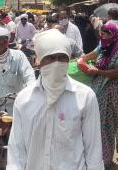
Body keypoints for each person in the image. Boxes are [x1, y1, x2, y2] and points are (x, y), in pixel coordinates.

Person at [7, 29, 104, 170]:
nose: (56, 63)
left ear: (69, 59)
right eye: (50, 58)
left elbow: (93, 148)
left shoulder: (85, 97)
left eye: (62, 58)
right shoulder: (24, 99)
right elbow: (17, 149)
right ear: (39, 60)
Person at [80, 23, 118, 167]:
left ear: (112, 35)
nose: (102, 36)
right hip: (96, 90)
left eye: (104, 34)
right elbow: (89, 56)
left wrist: (97, 71)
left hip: (110, 92)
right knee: (93, 124)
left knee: (107, 126)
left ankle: (106, 159)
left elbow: (115, 73)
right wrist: (81, 60)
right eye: (101, 34)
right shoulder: (102, 47)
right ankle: (93, 157)